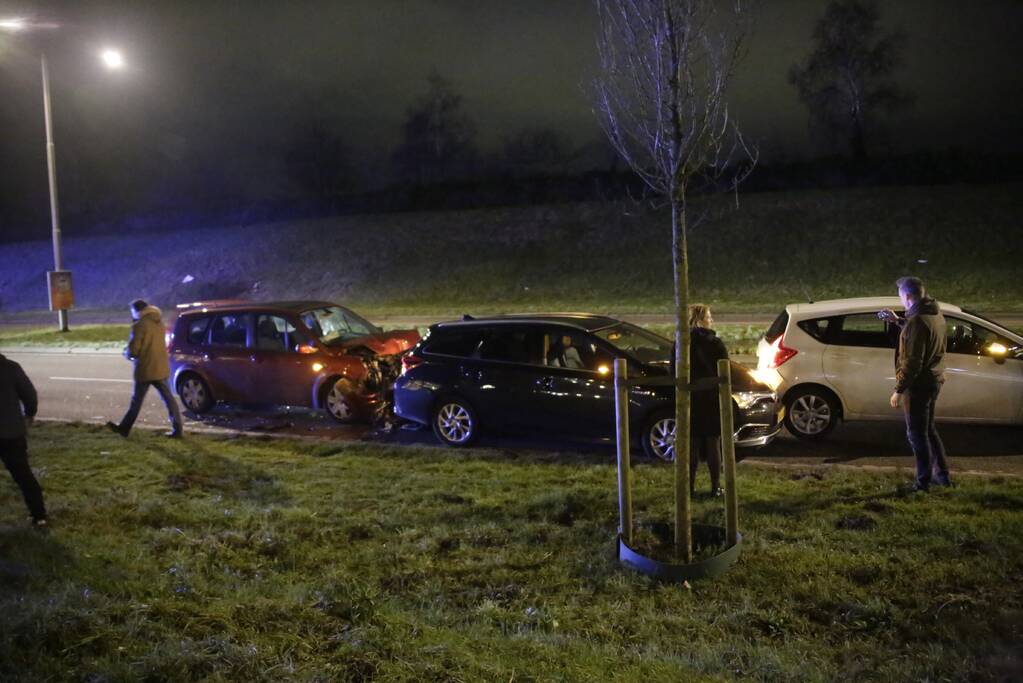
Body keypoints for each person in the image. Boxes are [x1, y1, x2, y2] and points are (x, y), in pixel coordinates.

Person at [879, 277, 950, 492]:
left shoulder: (918, 322)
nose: (900, 299)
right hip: (933, 380)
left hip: (918, 385)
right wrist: (898, 320)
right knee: (928, 431)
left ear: (908, 296)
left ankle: (922, 482)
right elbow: (918, 332)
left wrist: (898, 390)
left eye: (900, 295)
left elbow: (913, 362)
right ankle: (943, 477)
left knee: (916, 435)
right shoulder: (934, 313)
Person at [107, 299, 184, 438]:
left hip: (145, 369)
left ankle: (124, 428)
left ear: (138, 311)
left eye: (132, 312)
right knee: (169, 399)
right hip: (160, 367)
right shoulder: (159, 322)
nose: (133, 315)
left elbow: (134, 350)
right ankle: (178, 429)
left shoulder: (139, 326)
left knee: (136, 401)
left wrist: (127, 353)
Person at [0, 352, 48, 527]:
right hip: (11, 431)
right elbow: (29, 395)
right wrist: (29, 414)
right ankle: (39, 515)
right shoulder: (11, 368)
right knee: (23, 475)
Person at [688, 303, 728, 496]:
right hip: (711, 397)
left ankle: (689, 487)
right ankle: (715, 487)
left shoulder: (682, 343)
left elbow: (673, 370)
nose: (711, 320)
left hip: (689, 398)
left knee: (692, 443)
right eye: (709, 316)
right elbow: (726, 370)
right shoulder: (715, 343)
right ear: (702, 319)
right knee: (713, 441)